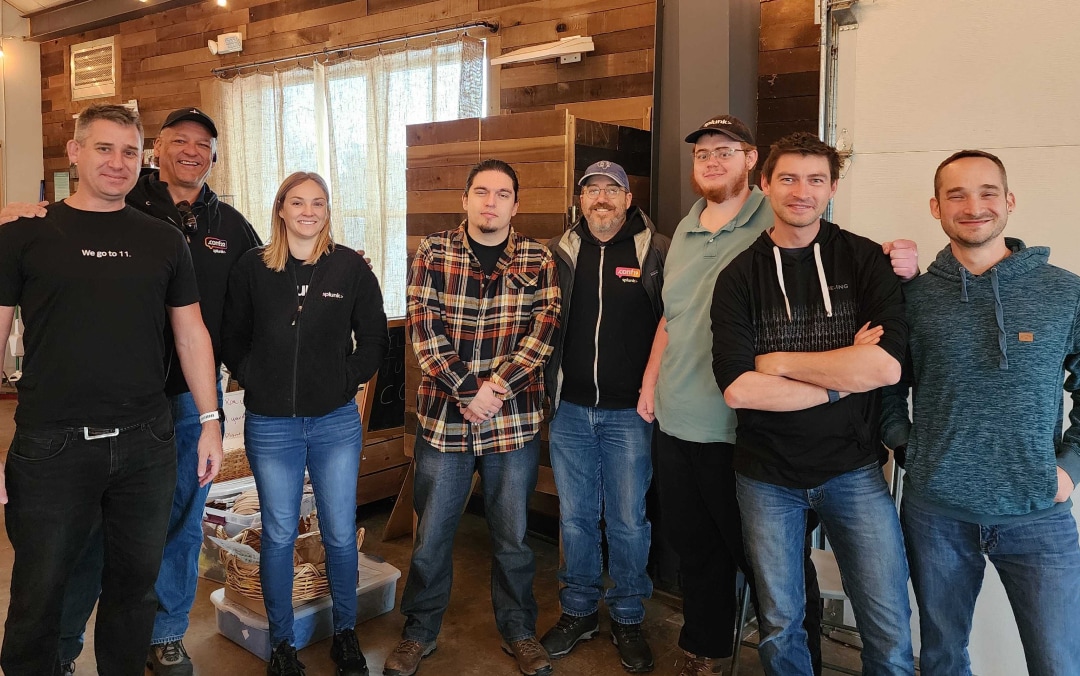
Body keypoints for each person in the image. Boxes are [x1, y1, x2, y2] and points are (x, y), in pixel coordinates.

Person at [0, 106, 261, 675]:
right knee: (38, 591)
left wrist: (212, 420)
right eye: (102, 149)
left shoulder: (163, 239)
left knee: (134, 590)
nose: (116, 163)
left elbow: (191, 334)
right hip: (52, 446)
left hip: (147, 443)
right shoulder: (26, 233)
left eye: (126, 152)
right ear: (74, 152)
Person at [711, 131, 914, 676]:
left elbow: (886, 367)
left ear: (833, 187)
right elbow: (738, 388)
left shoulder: (865, 259)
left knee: (888, 625)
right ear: (765, 184)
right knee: (780, 625)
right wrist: (841, 375)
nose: (802, 191)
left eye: (816, 179)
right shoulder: (738, 277)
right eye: (789, 178)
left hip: (854, 469)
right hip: (766, 476)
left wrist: (776, 362)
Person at [881, 150, 1080, 676]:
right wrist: (906, 447)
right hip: (937, 516)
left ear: (1010, 201)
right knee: (943, 658)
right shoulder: (914, 298)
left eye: (988, 192)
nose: (974, 206)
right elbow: (884, 386)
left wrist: (1071, 468)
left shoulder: (1064, 291)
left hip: (1038, 515)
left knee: (1058, 661)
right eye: (957, 195)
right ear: (935, 207)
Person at [385, 159, 560, 676]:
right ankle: (419, 631)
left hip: (514, 423)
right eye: (481, 192)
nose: (491, 202)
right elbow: (422, 326)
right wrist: (467, 389)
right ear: (465, 199)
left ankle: (519, 630)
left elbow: (543, 331)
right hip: (445, 420)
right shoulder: (433, 252)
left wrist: (495, 391)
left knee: (512, 539)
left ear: (515, 203)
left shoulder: (537, 257)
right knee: (432, 537)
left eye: (502, 194)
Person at [222, 171, 389, 676]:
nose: (308, 211)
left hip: (335, 422)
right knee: (277, 533)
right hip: (272, 425)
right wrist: (255, 378)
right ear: (281, 209)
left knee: (339, 532)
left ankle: (345, 634)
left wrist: (346, 382)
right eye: (298, 202)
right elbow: (232, 336)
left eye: (318, 202)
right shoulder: (253, 267)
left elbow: (375, 340)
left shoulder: (349, 268)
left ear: (327, 210)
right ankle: (282, 644)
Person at [538, 161, 668, 673]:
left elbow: (673, 322)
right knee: (575, 518)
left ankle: (629, 616)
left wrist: (653, 389)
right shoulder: (558, 253)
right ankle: (578, 611)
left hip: (630, 415)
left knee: (629, 521)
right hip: (570, 411)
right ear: (581, 200)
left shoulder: (654, 252)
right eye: (591, 190)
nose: (601, 198)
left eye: (611, 189)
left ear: (628, 199)